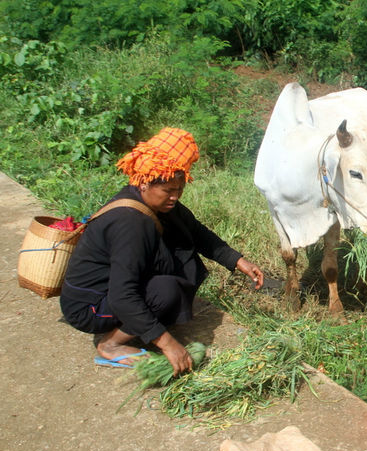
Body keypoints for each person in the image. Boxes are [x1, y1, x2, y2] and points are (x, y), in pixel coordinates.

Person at [60, 127, 264, 374]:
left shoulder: (158, 204)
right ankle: (111, 344)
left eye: (180, 190)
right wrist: (167, 343)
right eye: (168, 191)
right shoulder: (130, 223)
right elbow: (121, 296)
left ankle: (137, 324)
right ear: (145, 182)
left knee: (180, 260)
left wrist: (238, 261)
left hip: (110, 292)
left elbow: (198, 233)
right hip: (89, 307)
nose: (175, 197)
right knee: (166, 292)